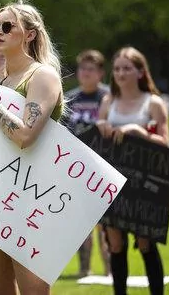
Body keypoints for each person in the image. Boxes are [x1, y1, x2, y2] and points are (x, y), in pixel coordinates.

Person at [0, 0, 64, 295]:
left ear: (30, 34)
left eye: (7, 25)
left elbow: (25, 136)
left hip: (30, 202)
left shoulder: (42, 76)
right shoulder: (0, 85)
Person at [96, 46, 169, 295]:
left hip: (144, 186)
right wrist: (102, 125)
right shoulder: (108, 102)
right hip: (113, 183)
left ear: (140, 72)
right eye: (117, 68)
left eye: (127, 68)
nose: (120, 73)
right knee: (115, 244)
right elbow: (98, 140)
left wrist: (139, 132)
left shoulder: (154, 103)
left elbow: (165, 144)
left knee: (145, 242)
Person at [60, 49, 110, 277]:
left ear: (100, 73)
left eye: (91, 69)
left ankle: (111, 270)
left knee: (107, 225)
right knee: (82, 225)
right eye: (82, 68)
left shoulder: (109, 98)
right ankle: (84, 270)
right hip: (77, 170)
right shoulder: (70, 98)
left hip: (106, 169)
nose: (86, 73)